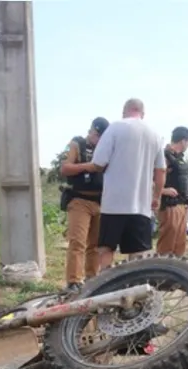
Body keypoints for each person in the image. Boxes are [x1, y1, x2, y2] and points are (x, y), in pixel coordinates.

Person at [90, 98, 166, 268]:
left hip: (113, 204)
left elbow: (98, 163)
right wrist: (157, 197)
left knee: (106, 249)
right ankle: (135, 288)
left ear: (124, 111)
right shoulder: (154, 134)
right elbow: (160, 171)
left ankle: (106, 286)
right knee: (138, 253)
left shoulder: (115, 127)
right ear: (143, 113)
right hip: (141, 206)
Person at [59, 117, 110, 293]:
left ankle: (91, 278)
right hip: (79, 200)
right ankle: (73, 281)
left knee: (96, 245)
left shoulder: (106, 149)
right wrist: (88, 167)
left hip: (100, 202)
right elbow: (65, 168)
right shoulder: (77, 144)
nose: (99, 141)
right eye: (98, 137)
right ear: (92, 132)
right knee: (78, 242)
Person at [155, 126, 188, 256]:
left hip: (181, 205)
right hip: (169, 205)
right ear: (183, 141)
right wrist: (164, 191)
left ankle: (175, 274)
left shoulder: (180, 158)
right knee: (167, 245)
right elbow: (148, 179)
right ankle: (161, 274)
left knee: (179, 245)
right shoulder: (164, 156)